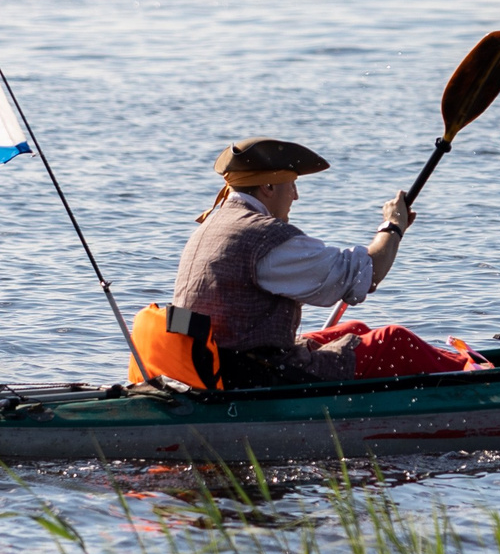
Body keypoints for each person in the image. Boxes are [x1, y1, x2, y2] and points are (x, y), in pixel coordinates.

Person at [171, 137, 414, 388]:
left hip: (211, 363)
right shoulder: (265, 237)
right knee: (394, 340)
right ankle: (444, 384)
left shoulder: (212, 224)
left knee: (355, 328)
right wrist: (393, 226)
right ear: (267, 186)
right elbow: (365, 274)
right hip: (249, 375)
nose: (296, 196)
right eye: (292, 185)